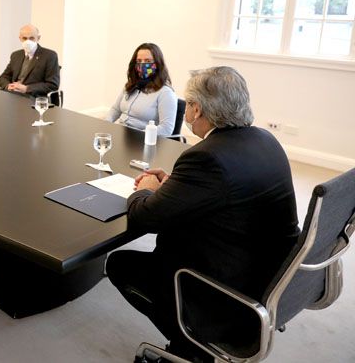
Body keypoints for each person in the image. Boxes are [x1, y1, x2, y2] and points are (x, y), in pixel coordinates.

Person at [105, 66, 299, 362]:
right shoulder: (265, 141)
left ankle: (191, 345)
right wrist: (177, 185)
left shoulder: (207, 156)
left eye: (189, 104)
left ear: (196, 109)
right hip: (269, 276)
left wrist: (144, 188)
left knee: (119, 263)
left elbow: (146, 218)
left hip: (222, 293)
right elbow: (229, 191)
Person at [106, 42, 178, 137]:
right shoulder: (131, 85)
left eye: (148, 61)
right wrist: (106, 124)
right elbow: (116, 109)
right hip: (122, 135)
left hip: (143, 140)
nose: (142, 65)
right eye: (139, 61)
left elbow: (166, 128)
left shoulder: (165, 93)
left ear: (157, 64)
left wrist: (140, 135)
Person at [0, 24, 59, 97]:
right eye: (24, 38)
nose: (28, 41)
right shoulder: (16, 55)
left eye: (31, 38)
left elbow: (52, 85)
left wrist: (26, 88)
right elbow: (4, 77)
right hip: (13, 94)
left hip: (32, 97)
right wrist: (8, 86)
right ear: (20, 38)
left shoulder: (49, 56)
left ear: (38, 38)